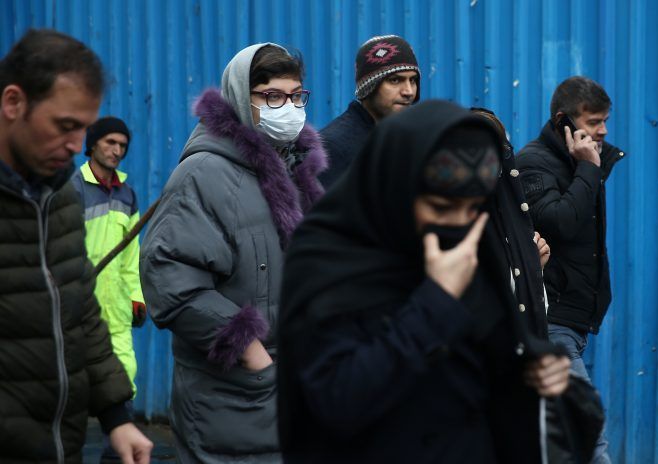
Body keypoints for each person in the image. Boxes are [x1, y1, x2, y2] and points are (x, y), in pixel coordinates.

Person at [277, 100, 570, 463]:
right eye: (440, 208)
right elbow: (336, 402)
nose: (458, 224)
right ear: (398, 186)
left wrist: (538, 375)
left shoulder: (467, 247)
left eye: (472, 209)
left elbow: (491, 373)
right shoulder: (328, 259)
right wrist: (437, 302)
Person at [140, 43, 327, 463]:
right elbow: (170, 278)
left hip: (293, 389)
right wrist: (252, 355)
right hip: (231, 396)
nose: (290, 107)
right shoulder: (205, 174)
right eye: (273, 96)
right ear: (244, 99)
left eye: (297, 96)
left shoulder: (297, 170)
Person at [0, 29, 152, 463]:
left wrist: (116, 416)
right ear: (14, 103)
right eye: (65, 127)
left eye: (83, 130)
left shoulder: (60, 195)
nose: (74, 147)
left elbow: (79, 309)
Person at [516, 76, 626, 463]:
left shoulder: (580, 164)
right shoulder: (534, 163)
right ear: (565, 121)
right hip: (552, 318)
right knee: (587, 434)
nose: (603, 130)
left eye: (605, 120)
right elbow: (558, 224)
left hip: (574, 320)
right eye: (594, 121)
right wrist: (589, 170)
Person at [71, 116, 147, 462]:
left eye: (122, 146)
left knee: (122, 388)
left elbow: (132, 256)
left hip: (115, 311)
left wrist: (136, 296)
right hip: (76, 308)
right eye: (110, 143)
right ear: (93, 144)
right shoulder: (71, 188)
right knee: (69, 398)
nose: (117, 150)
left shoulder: (127, 195)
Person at [319, 34, 420, 188]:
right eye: (395, 80)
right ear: (369, 87)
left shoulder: (403, 139)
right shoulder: (333, 146)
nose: (408, 91)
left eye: (412, 80)